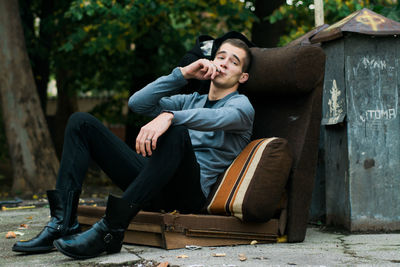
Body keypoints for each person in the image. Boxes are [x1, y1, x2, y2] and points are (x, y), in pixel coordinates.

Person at [12, 38, 254, 259]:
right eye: (220, 57)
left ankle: (110, 229)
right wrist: (182, 74)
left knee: (177, 131)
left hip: (189, 195)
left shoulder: (242, 108)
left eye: (233, 62)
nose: (223, 64)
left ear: (242, 76)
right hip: (152, 184)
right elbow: (138, 103)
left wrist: (169, 116)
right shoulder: (189, 99)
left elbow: (213, 118)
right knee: (81, 122)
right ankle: (62, 223)